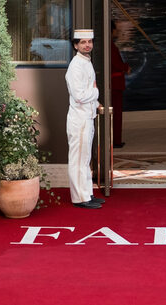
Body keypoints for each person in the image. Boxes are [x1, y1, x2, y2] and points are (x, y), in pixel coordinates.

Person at [65, 28, 103, 209]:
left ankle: (87, 193)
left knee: (85, 158)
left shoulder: (86, 62)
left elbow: (86, 93)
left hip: (87, 116)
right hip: (79, 119)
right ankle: (80, 198)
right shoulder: (76, 65)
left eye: (90, 42)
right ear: (75, 45)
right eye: (83, 42)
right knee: (79, 159)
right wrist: (96, 92)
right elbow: (80, 95)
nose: (87, 45)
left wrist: (96, 102)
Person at [109, 21, 129, 148]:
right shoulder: (111, 47)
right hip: (115, 84)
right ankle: (115, 140)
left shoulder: (109, 46)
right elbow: (117, 64)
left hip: (114, 84)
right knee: (116, 114)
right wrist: (126, 67)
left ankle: (115, 139)